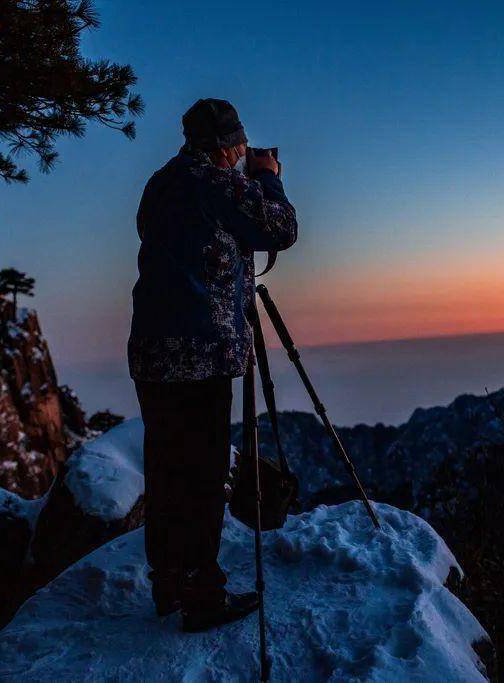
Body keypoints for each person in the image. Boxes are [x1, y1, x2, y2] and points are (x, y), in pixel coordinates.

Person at [127, 98, 298, 632]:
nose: (244, 154)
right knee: (201, 475)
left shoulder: (161, 182)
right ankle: (203, 595)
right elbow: (280, 230)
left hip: (153, 351)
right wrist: (268, 178)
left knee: (166, 468)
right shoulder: (217, 181)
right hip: (200, 352)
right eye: (241, 148)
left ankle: (170, 582)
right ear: (228, 147)